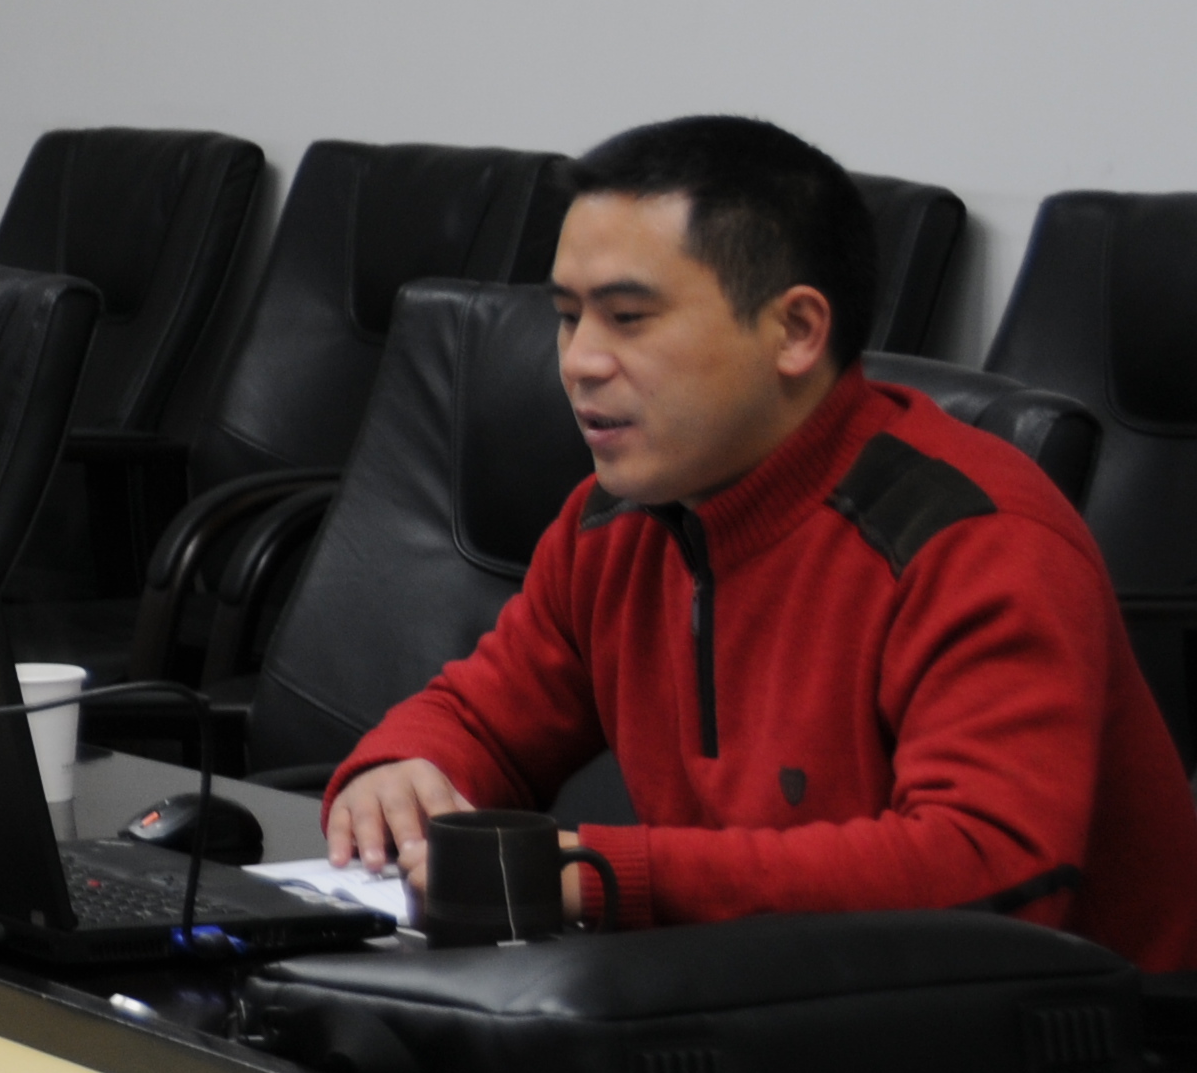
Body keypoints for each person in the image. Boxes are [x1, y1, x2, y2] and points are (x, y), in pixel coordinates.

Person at [324, 117, 1197, 966]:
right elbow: (482, 717)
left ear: (796, 331)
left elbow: (992, 873)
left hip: (1062, 1040)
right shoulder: (616, 519)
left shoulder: (973, 540)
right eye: (567, 316)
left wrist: (603, 876)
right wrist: (400, 771)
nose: (580, 360)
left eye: (627, 317)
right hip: (762, 1005)